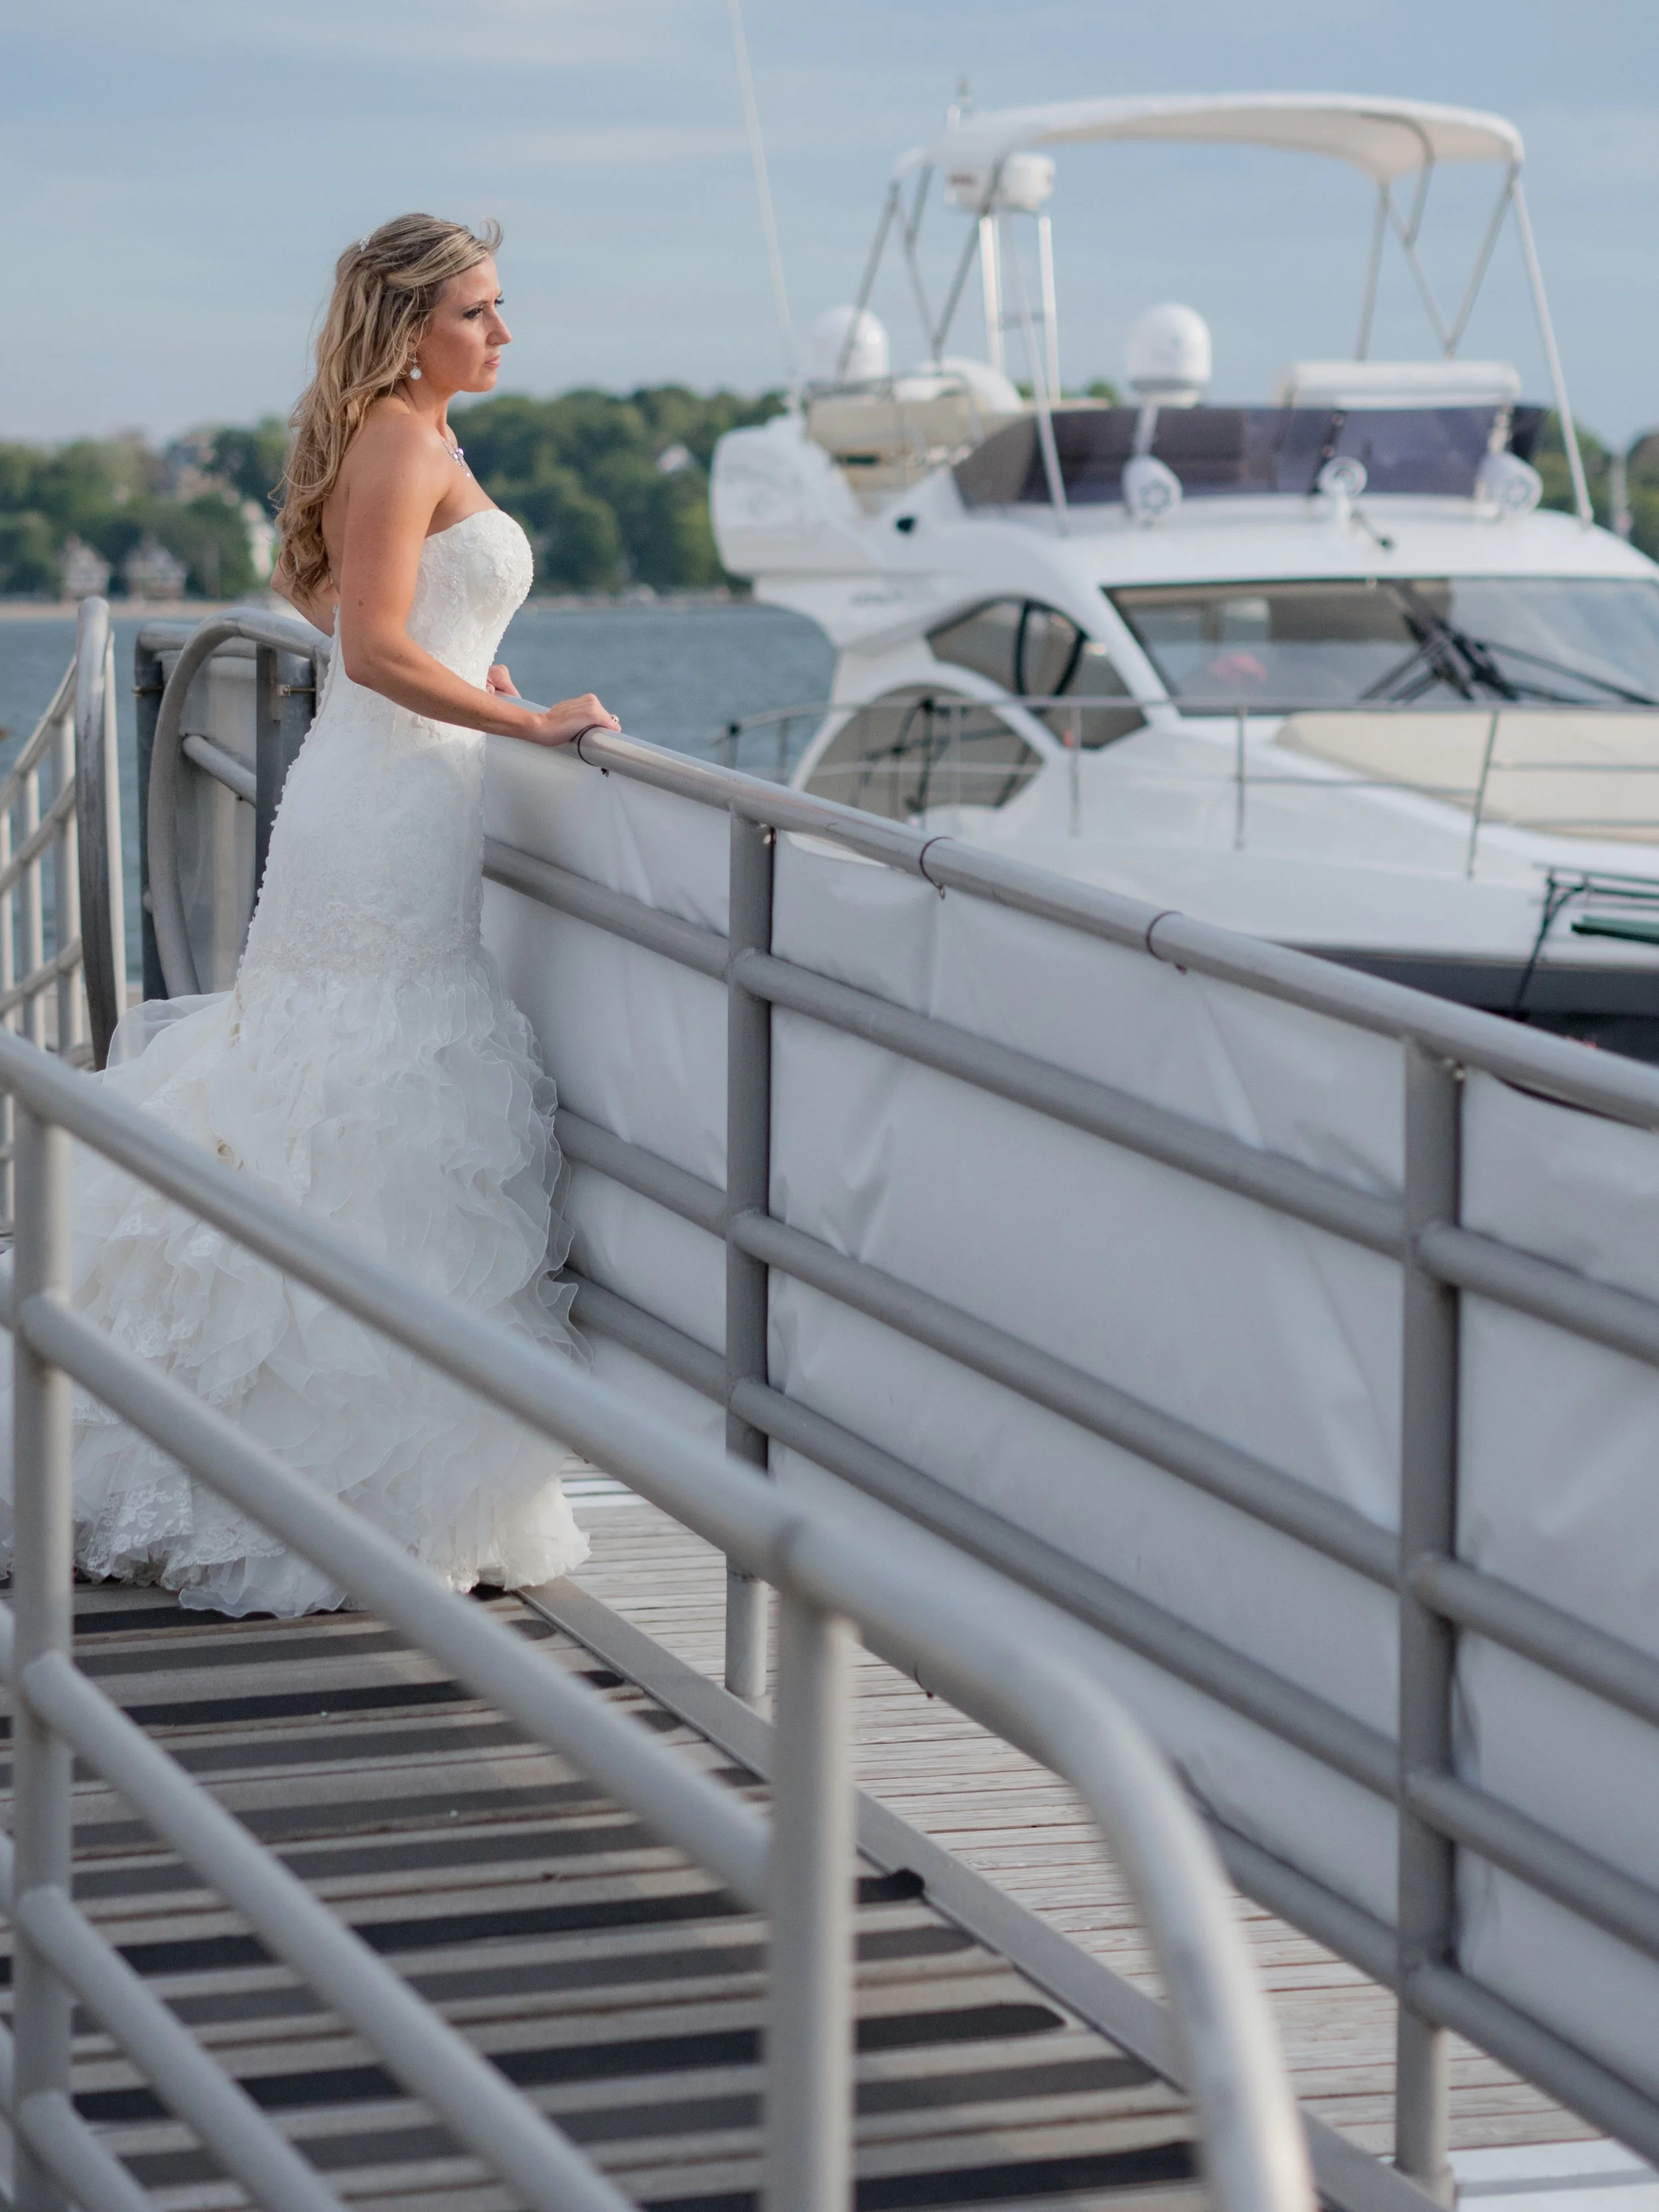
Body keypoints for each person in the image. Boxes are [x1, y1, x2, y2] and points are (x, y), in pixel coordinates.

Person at [1, 214, 620, 1615]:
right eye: (480, 311)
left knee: (372, 1092)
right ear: (413, 329)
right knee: (352, 1083)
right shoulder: (401, 437)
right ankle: (294, 1463)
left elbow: (404, 615)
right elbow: (374, 645)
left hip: (400, 794)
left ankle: (385, 1465)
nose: (504, 334)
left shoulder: (423, 435)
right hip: (379, 808)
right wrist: (523, 717)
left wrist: (483, 672)